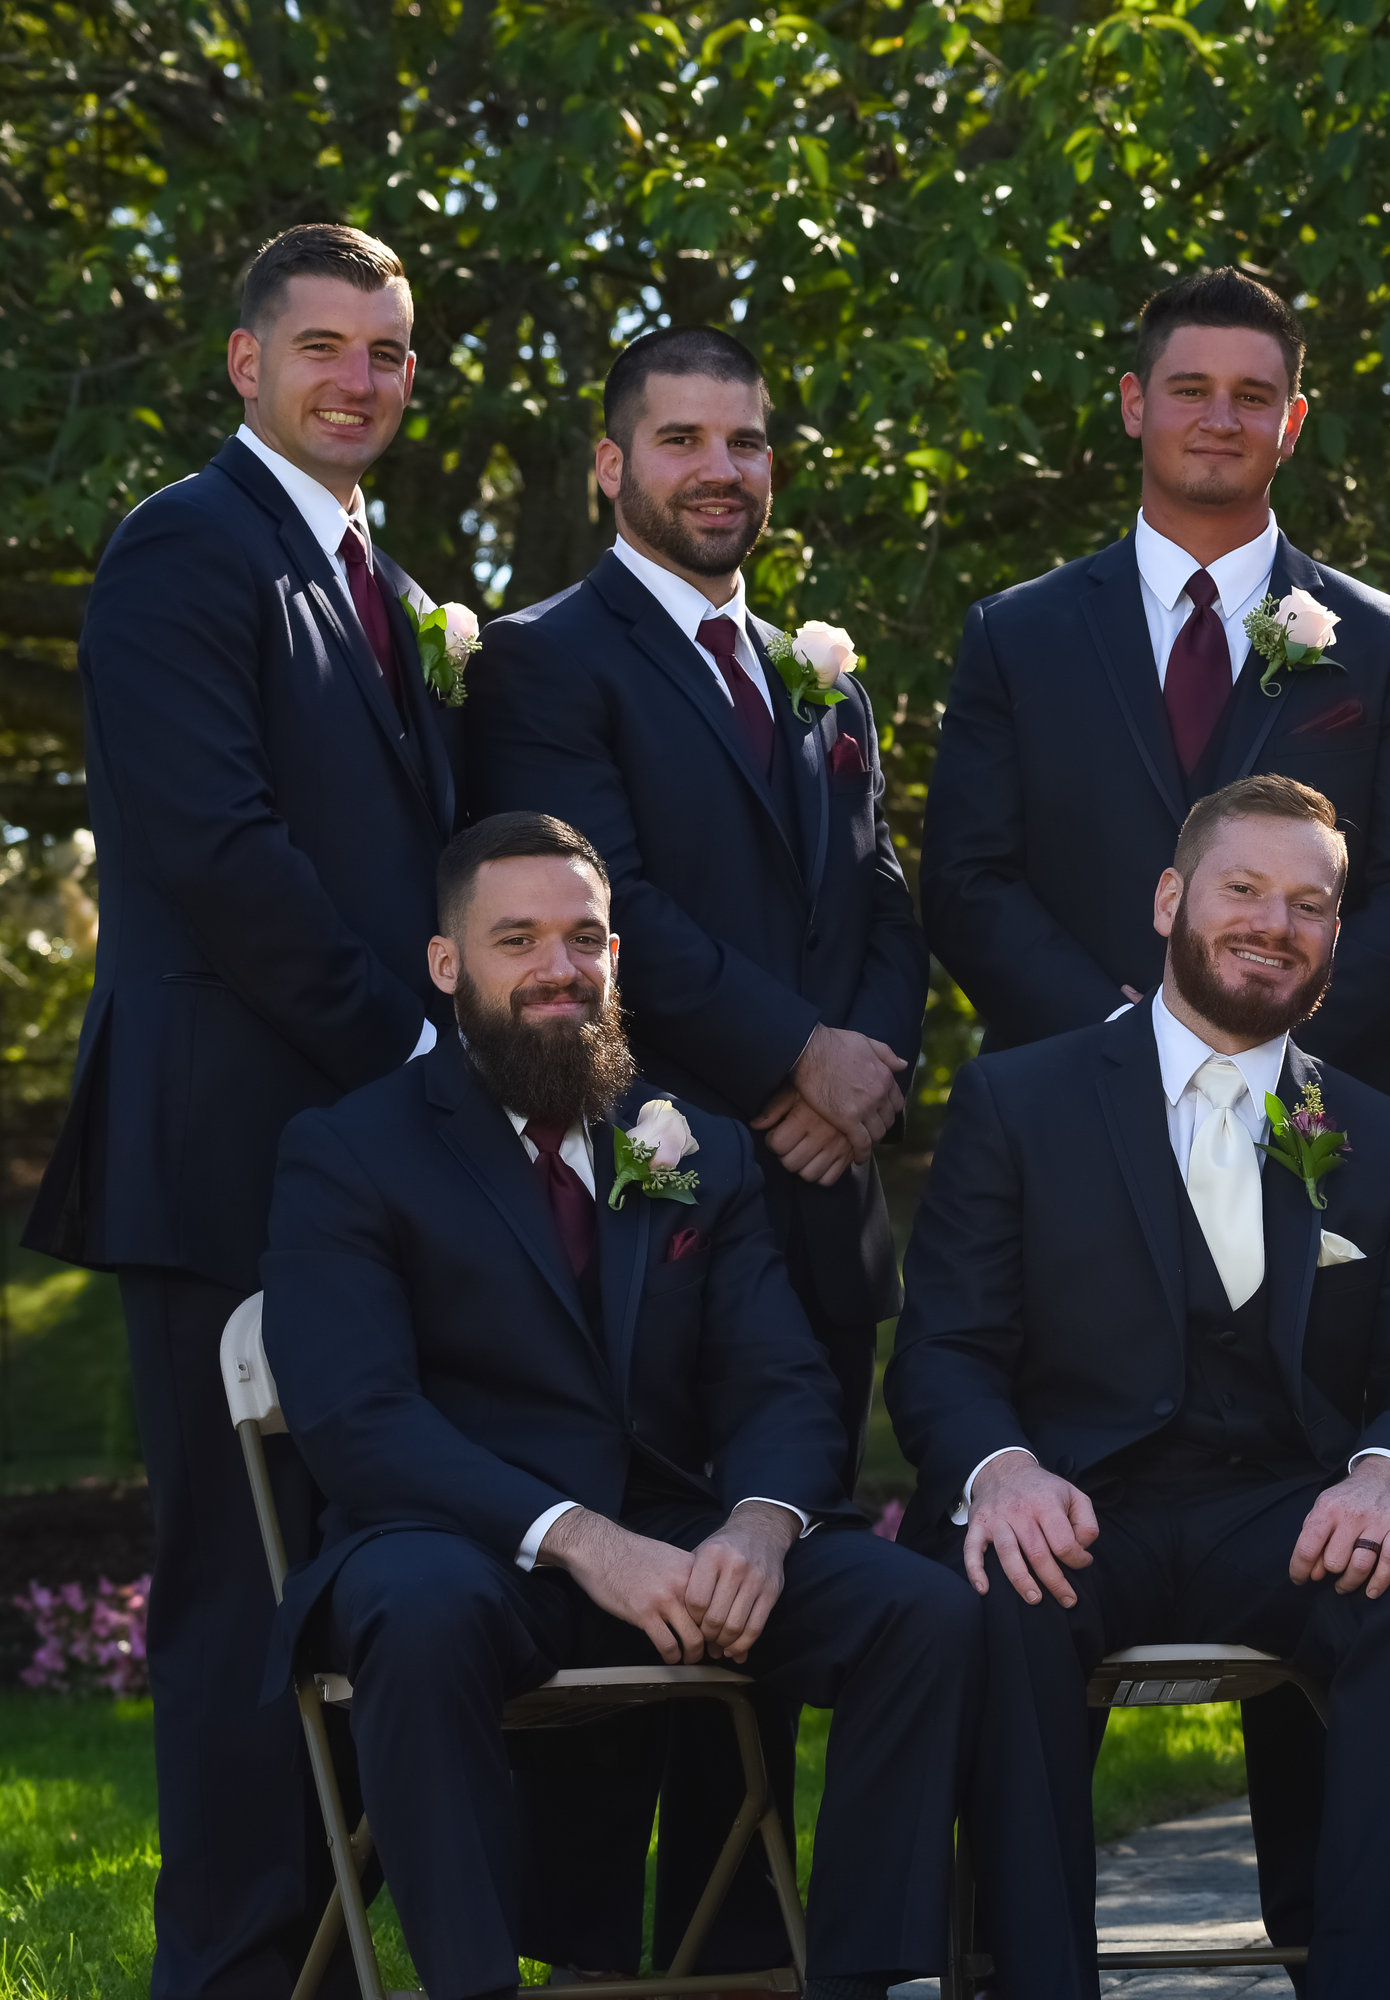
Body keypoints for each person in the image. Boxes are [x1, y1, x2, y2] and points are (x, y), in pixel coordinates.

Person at [258, 812, 977, 2000]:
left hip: (676, 1540)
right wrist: (583, 1540)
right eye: (518, 939)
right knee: (415, 1608)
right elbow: (360, 1418)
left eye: (585, 937)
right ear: (446, 963)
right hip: (464, 1544)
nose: (560, 967)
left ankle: (859, 1977)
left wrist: (759, 1525)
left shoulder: (692, 1144)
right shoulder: (349, 1150)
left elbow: (779, 1377)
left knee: (920, 1610)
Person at [23, 222, 462, 2000]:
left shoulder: (382, 580)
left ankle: (327, 1963)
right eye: (323, 347)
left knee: (355, 1571)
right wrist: (421, 1060)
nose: (359, 379)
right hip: (228, 1156)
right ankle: (225, 1971)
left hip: (361, 1164)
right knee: (236, 1589)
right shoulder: (184, 549)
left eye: (387, 351)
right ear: (245, 363)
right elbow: (221, 854)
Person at [467, 323, 926, 1974]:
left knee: (773, 1583)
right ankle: (590, 1967)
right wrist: (793, 1059)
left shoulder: (823, 672)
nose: (720, 471)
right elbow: (609, 910)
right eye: (681, 440)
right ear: (612, 463)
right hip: (639, 1197)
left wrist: (859, 1081)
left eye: (745, 441)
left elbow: (881, 900)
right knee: (633, 1591)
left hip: (822, 1200)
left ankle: (744, 1960)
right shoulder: (542, 662)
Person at [886, 775, 1390, 2000]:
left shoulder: (1379, 1136)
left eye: (1309, 905)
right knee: (998, 1590)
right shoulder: (1019, 1099)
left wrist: (1389, 1473)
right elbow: (943, 1350)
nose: (1275, 923)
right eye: (1244, 888)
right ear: (1170, 898)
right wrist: (1001, 1471)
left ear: (1334, 935)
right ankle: (1029, 1979)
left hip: (1282, 1509)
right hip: (1075, 1503)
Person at [921, 264, 1390, 1105]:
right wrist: (1120, 1039)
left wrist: (1258, 1042)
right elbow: (968, 881)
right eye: (1190, 390)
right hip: (1069, 1097)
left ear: (1291, 424)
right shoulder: (1016, 635)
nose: (1221, 419)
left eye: (1252, 397)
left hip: (1312, 1102)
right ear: (1134, 403)